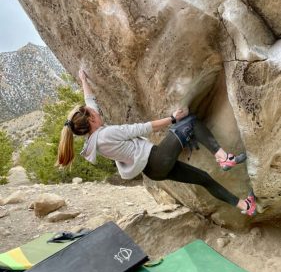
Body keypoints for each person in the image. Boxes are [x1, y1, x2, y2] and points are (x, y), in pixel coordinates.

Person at [56, 69, 256, 216]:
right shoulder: (107, 134)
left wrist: (83, 79)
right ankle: (224, 158)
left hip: (153, 171)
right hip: (157, 160)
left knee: (204, 178)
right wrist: (173, 118)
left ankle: (245, 206)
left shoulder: (93, 138)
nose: (97, 112)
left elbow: (90, 102)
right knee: (189, 122)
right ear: (90, 120)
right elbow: (143, 128)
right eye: (93, 114)